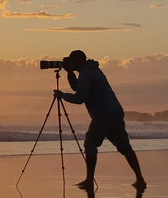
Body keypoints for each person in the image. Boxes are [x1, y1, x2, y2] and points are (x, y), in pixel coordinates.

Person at [55, 50, 147, 189]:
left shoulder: (87, 74)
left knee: (90, 144)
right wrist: (70, 73)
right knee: (124, 147)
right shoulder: (93, 70)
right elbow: (77, 87)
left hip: (103, 115)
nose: (70, 63)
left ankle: (89, 180)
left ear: (79, 61)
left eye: (72, 61)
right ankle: (140, 179)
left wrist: (62, 95)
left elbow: (79, 98)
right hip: (114, 112)